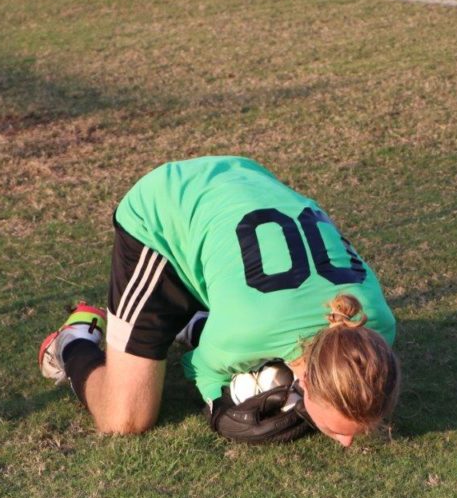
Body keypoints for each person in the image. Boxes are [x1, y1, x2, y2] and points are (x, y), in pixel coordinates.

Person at [38, 156, 399, 447]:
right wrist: (219, 405)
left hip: (248, 181)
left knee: (248, 336)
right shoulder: (250, 332)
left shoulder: (379, 326)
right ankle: (74, 339)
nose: (347, 442)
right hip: (167, 212)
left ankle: (189, 321)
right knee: (125, 418)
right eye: (337, 430)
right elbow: (201, 369)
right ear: (307, 384)